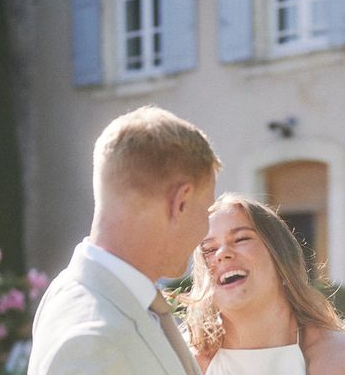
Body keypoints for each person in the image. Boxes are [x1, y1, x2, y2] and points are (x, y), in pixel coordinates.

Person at [28, 106, 221, 375]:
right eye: (206, 210)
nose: (205, 229)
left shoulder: (78, 291)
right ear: (181, 202)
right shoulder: (91, 343)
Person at [183, 193, 345, 374]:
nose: (222, 254)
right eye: (209, 249)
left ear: (281, 259)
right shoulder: (183, 362)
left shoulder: (341, 355)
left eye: (241, 238)